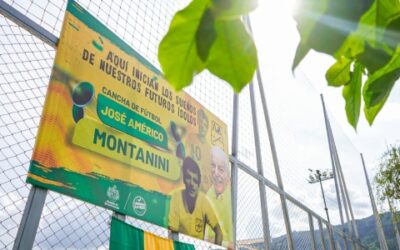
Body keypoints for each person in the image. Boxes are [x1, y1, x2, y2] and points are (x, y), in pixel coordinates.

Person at [168, 157, 222, 245]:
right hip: (180, 245)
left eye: (195, 181)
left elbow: (219, 232)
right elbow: (172, 230)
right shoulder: (176, 197)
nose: (192, 184)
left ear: (199, 183)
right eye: (189, 178)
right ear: (184, 179)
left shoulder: (203, 201)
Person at [206, 146, 233, 248]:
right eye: (213, 166)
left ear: (228, 174)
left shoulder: (229, 199)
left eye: (221, 169)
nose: (216, 173)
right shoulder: (208, 195)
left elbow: (231, 244)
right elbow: (207, 238)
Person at [185, 109, 212, 191]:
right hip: (190, 183)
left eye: (205, 124)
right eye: (200, 122)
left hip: (204, 189)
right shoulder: (191, 137)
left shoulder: (209, 149)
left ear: (207, 128)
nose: (202, 126)